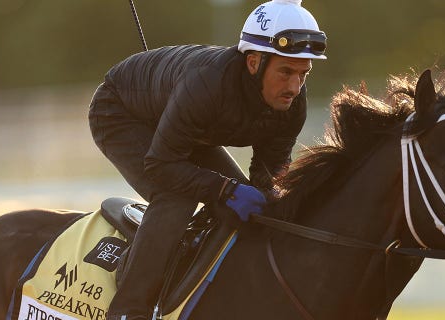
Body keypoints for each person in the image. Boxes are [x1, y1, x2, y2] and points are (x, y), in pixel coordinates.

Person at [88, 0, 327, 319]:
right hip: (121, 112)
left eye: (303, 74)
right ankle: (128, 309)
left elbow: (266, 180)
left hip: (190, 130)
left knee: (254, 210)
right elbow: (160, 167)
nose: (294, 87)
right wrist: (224, 190)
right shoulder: (208, 84)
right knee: (176, 196)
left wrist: (269, 198)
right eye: (285, 72)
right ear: (254, 62)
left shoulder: (292, 105)